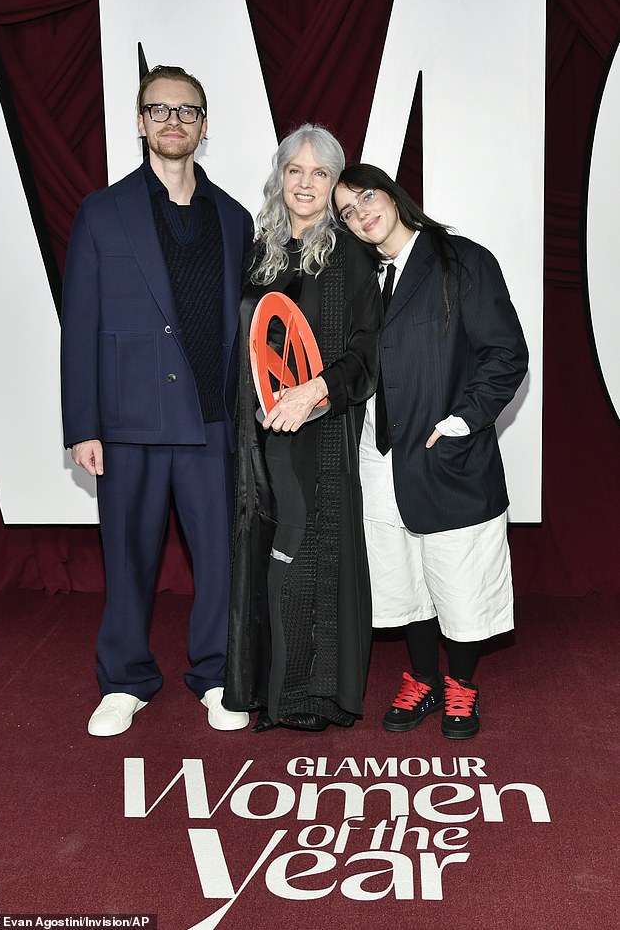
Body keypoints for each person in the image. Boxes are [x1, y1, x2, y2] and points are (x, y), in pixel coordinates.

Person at [61, 65, 254, 736]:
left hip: (211, 422)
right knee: (128, 556)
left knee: (222, 560)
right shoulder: (101, 211)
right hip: (128, 423)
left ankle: (217, 672)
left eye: (188, 111)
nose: (174, 121)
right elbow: (80, 322)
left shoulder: (233, 217)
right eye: (160, 109)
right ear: (141, 122)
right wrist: (82, 424)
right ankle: (124, 679)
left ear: (204, 127)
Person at [333, 164, 528, 739]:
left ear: (392, 194)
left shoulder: (462, 260)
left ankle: (461, 685)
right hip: (380, 455)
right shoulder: (366, 277)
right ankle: (422, 678)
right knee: (402, 579)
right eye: (347, 211)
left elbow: (506, 354)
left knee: (460, 577)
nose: (361, 212)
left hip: (447, 453)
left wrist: (463, 421)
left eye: (367, 196)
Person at [222, 125, 382, 732]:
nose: (307, 183)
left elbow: (366, 355)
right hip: (259, 436)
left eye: (321, 174)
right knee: (265, 559)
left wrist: (314, 392)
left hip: (318, 433)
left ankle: (312, 697)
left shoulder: (348, 256)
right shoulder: (260, 247)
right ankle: (264, 689)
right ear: (279, 177)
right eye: (296, 171)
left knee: (309, 558)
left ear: (335, 184)